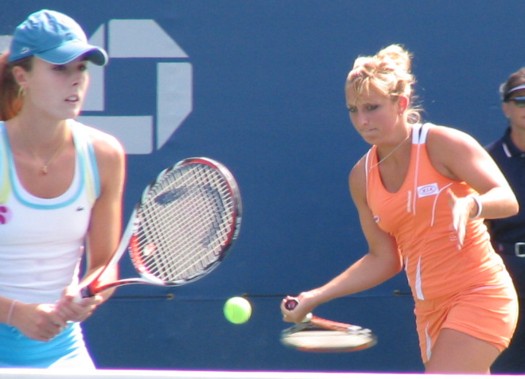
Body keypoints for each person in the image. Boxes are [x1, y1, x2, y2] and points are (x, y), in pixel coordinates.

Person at [280, 44, 519, 374]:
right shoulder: (360, 177)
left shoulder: (443, 143)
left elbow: (506, 199)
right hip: (429, 311)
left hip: (480, 294)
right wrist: (314, 297)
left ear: (401, 103)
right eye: (353, 110)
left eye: (372, 107)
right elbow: (384, 258)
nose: (362, 120)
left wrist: (472, 204)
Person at [0, 9, 126, 368]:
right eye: (59, 68)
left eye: (81, 69)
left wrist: (88, 294)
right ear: (22, 75)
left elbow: (104, 265)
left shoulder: (105, 155)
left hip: (63, 354)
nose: (75, 81)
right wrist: (14, 313)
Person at [485, 68, 525, 373]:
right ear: (506, 107)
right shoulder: (486, 162)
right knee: (507, 369)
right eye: (520, 99)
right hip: (507, 278)